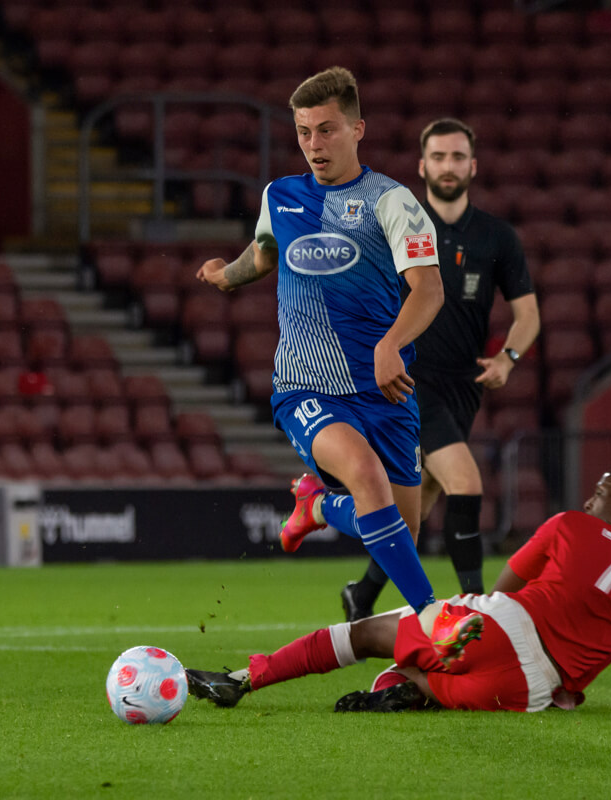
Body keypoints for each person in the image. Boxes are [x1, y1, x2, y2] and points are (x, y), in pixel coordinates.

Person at [196, 68, 481, 659]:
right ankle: (437, 617)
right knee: (367, 478)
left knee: (397, 535)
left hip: (387, 391)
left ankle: (317, 505)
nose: (314, 144)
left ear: (358, 129)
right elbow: (265, 252)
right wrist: (227, 275)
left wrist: (386, 346)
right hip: (306, 386)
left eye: (327, 130)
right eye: (303, 132)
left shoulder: (392, 201)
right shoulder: (281, 195)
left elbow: (428, 291)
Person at [185, 466, 611, 713]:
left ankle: (241, 679)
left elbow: (506, 589)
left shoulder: (569, 526)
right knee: (428, 673)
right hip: (526, 693)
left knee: (366, 633)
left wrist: (469, 618)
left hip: (500, 628)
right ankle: (413, 687)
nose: (590, 501)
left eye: (602, 492)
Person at [341, 117, 541, 621]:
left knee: (416, 509)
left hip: (463, 387)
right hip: (409, 382)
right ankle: (474, 605)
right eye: (438, 156)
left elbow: (529, 315)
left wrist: (508, 358)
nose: (447, 166)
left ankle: (362, 595)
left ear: (472, 166)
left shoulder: (497, 237)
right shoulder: (397, 227)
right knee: (466, 483)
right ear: (421, 165)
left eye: (456, 157)